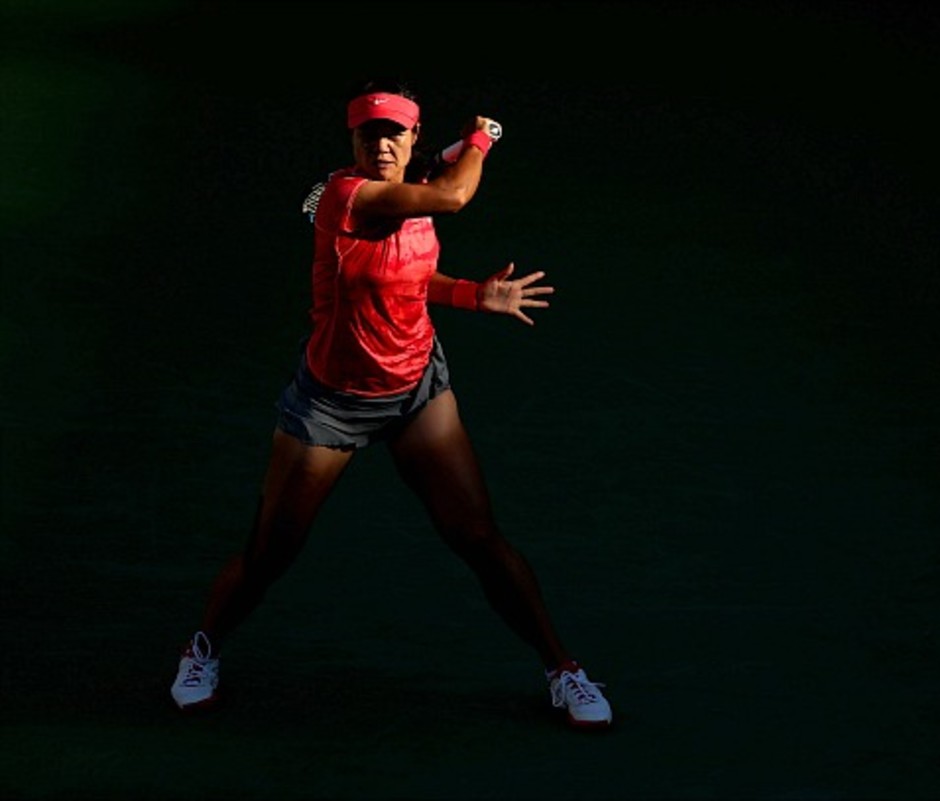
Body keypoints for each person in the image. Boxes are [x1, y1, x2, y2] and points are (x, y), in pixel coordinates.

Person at [168, 78, 612, 729]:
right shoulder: (350, 197)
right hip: (331, 404)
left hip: (415, 390)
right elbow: (457, 194)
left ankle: (563, 668)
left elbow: (408, 275)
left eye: (393, 132)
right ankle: (200, 648)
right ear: (352, 141)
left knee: (479, 538)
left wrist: (469, 295)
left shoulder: (413, 194)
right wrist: (485, 137)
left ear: (411, 140)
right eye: (368, 133)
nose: (380, 143)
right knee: (271, 552)